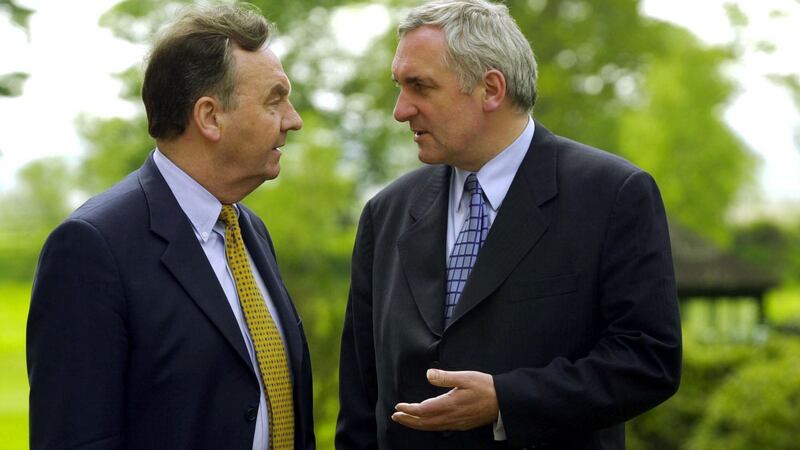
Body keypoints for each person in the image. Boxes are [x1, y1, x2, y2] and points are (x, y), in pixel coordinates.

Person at [335, 0, 681, 448]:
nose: (401, 110)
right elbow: (361, 400)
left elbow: (648, 360)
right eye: (400, 87)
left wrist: (506, 400)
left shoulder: (613, 195)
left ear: (491, 89)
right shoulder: (386, 213)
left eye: (419, 87)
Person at [27, 4, 314, 449]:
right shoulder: (92, 247)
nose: (293, 120)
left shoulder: (249, 230)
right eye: (275, 100)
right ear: (209, 116)